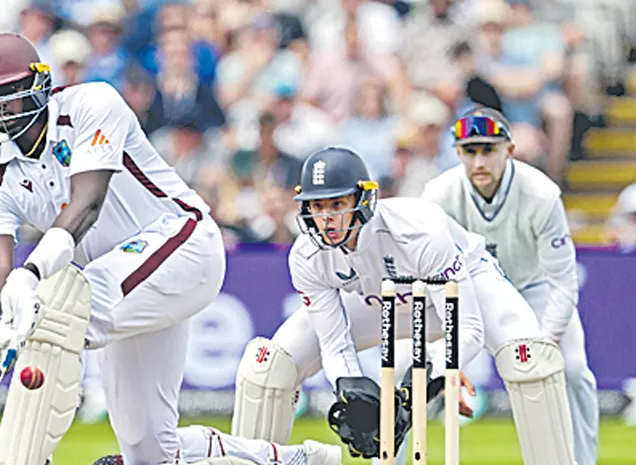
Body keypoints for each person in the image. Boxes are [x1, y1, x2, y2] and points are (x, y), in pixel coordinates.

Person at [0, 32, 339, 465]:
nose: (0, 109)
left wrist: (30, 276)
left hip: (182, 245)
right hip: (119, 287)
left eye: (9, 94)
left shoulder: (91, 105)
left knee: (57, 308)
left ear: (39, 85)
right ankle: (296, 461)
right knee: (150, 454)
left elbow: (87, 204)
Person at [231, 146, 578, 464]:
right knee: (268, 366)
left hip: (463, 286)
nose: (327, 219)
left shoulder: (419, 231)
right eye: (318, 206)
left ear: (363, 199)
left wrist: (419, 387)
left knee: (530, 359)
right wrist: (353, 392)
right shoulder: (307, 256)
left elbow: (467, 329)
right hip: (377, 300)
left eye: (337, 204)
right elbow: (334, 343)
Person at [422, 106, 599, 465]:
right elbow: (429, 276)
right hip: (469, 294)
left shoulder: (541, 194)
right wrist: (448, 365)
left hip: (534, 290)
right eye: (469, 151)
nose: (479, 161)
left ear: (509, 149)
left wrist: (546, 344)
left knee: (575, 371)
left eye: (489, 149)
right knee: (413, 369)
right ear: (457, 153)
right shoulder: (438, 196)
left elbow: (562, 281)